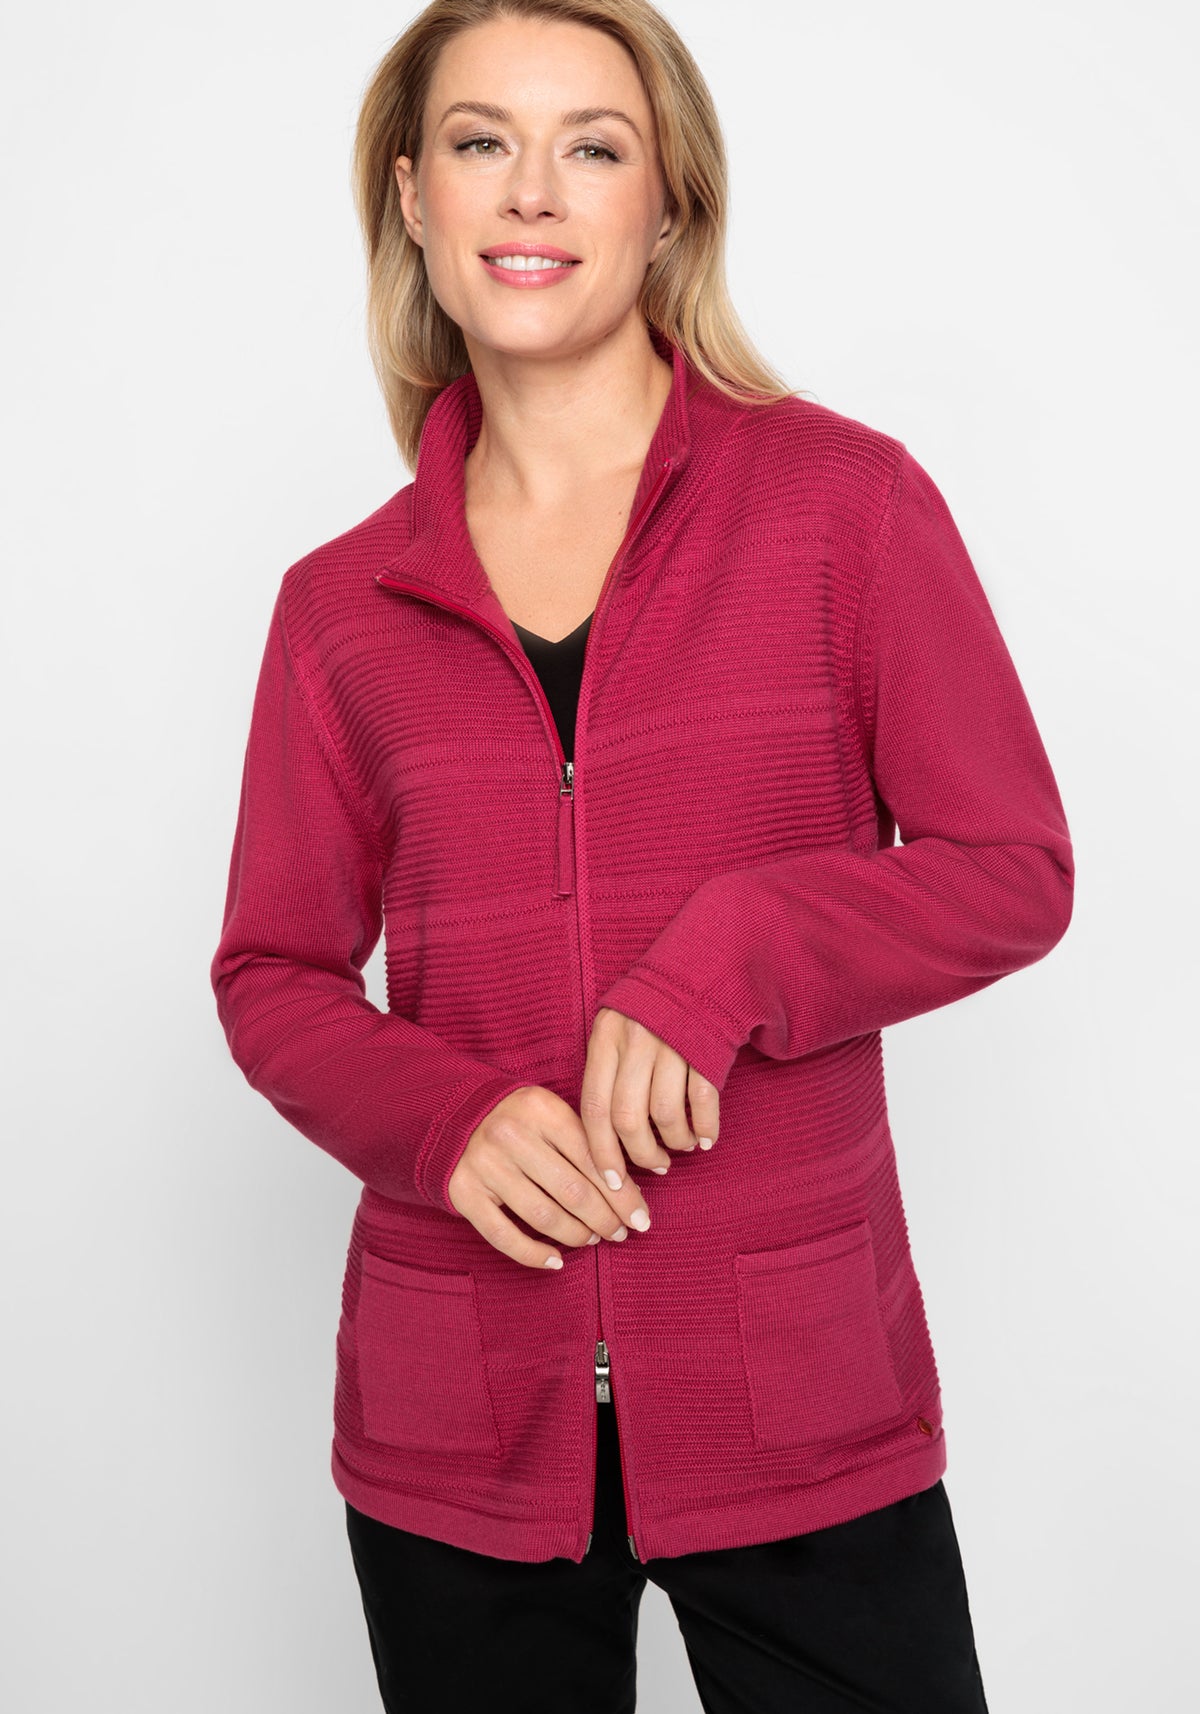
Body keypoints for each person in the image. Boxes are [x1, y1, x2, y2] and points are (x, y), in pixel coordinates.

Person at [210, 2, 1074, 1709]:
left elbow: (1011, 864)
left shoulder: (843, 507)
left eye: (592, 146)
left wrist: (734, 950)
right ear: (413, 196)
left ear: (668, 200)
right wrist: (447, 1120)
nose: (531, 191)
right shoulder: (338, 607)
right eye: (481, 142)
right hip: (462, 1416)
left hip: (797, 1395)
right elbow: (272, 974)